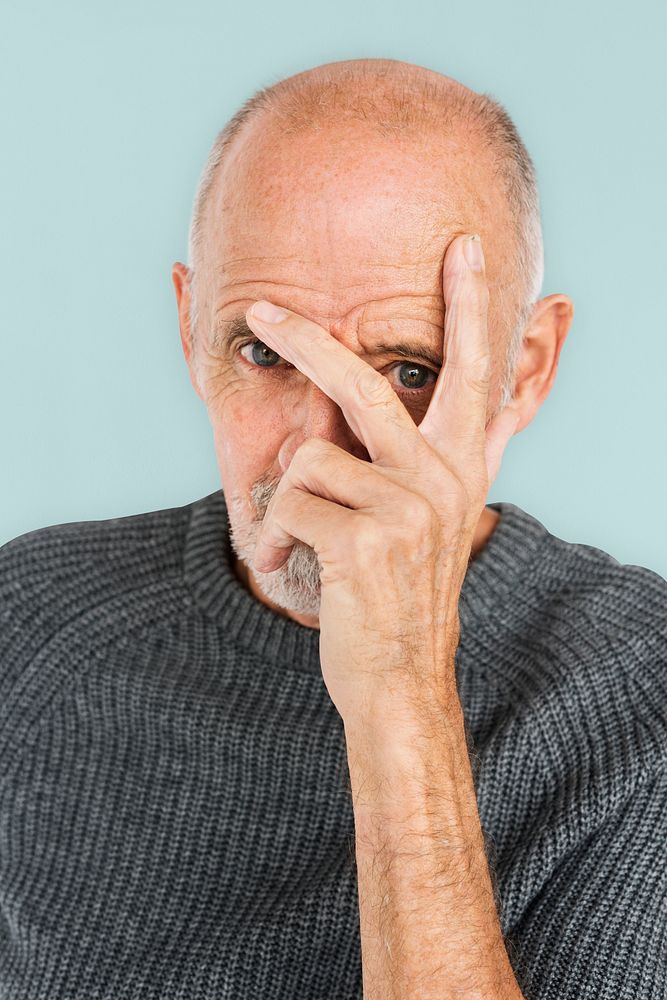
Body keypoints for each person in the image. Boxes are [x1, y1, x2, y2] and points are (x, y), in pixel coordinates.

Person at [1, 57, 665, 1000]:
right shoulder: (28, 620)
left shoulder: (644, 700)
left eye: (404, 369)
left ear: (521, 371)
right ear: (191, 330)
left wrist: (400, 690)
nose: (319, 452)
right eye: (265, 352)